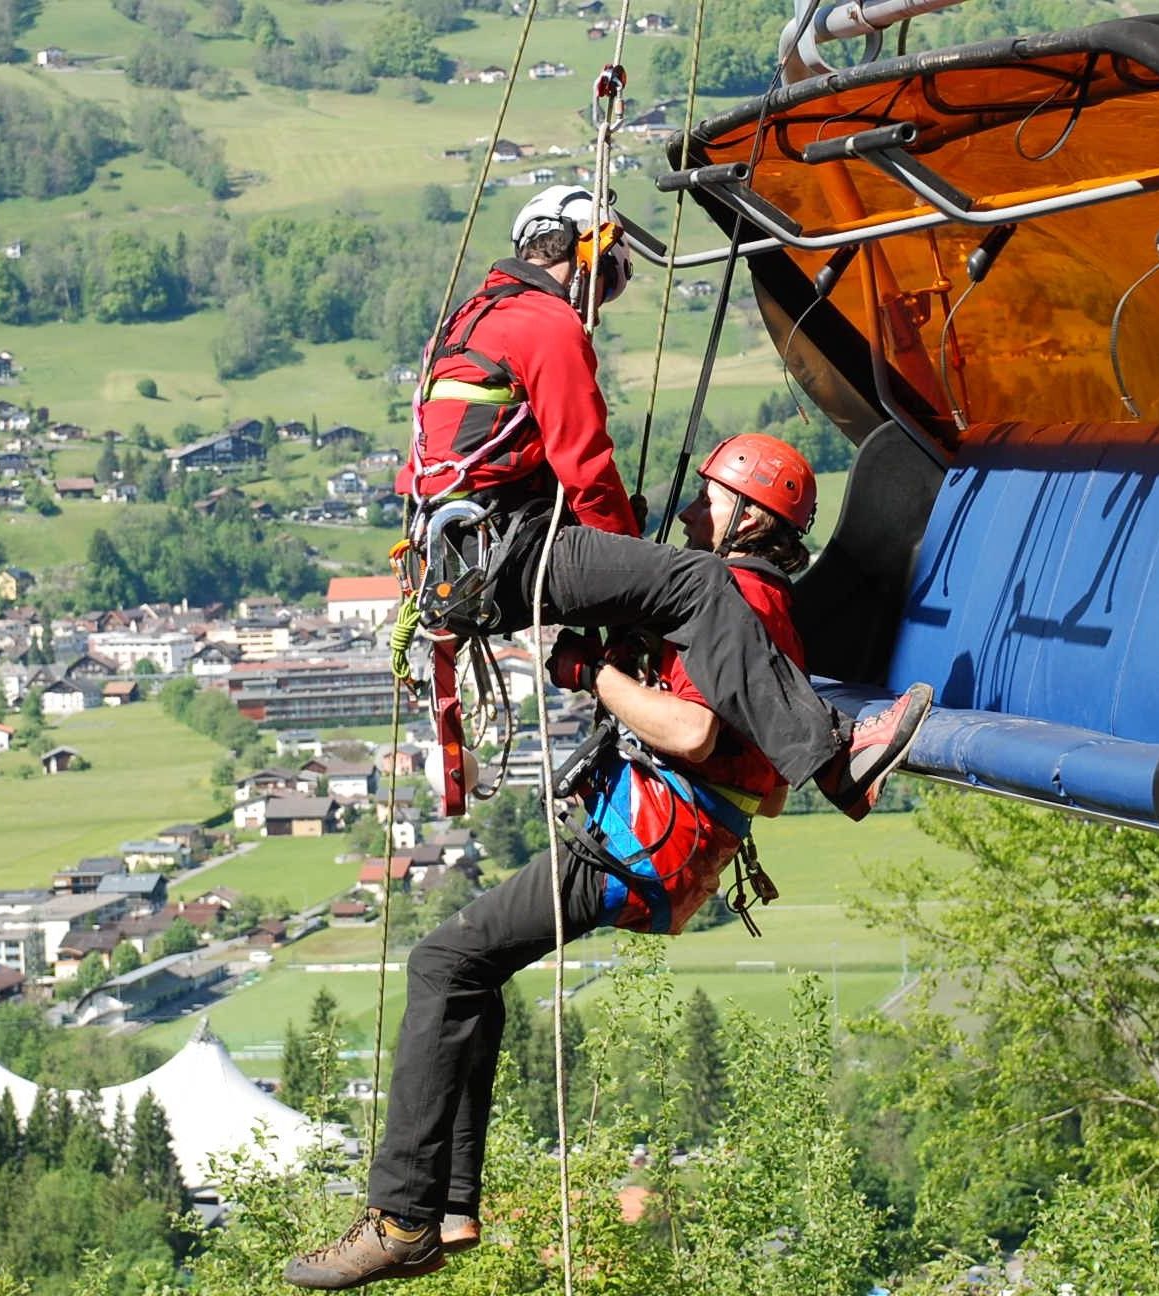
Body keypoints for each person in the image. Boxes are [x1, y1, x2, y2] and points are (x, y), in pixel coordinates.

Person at [284, 436, 933, 1291]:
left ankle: (406, 1216)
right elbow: (730, 756)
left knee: (444, 961)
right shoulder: (757, 611)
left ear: (751, 516)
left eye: (711, 501)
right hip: (661, 840)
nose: (694, 515)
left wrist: (591, 670)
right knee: (466, 968)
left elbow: (692, 730)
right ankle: (440, 1207)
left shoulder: (731, 595)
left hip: (643, 836)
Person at [400, 185, 929, 823]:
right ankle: (837, 761)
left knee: (665, 581)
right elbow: (586, 466)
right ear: (581, 251)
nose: (598, 304)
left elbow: (429, 467)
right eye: (606, 282)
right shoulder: (545, 323)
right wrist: (627, 562)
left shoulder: (462, 326)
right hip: (515, 550)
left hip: (457, 564)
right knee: (700, 583)